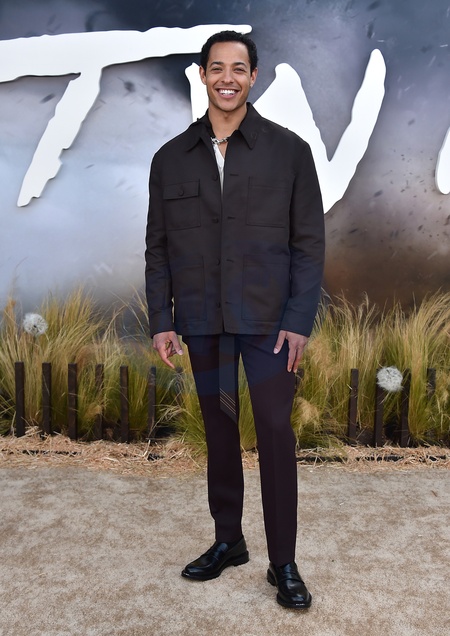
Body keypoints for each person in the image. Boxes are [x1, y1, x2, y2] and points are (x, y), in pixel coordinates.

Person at [145, 30, 325, 609]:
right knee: (219, 431)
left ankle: (283, 562)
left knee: (273, 431)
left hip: (270, 325)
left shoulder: (289, 152)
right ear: (202, 74)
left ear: (253, 77)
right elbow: (158, 248)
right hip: (202, 322)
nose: (228, 78)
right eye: (217, 67)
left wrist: (299, 320)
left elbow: (308, 244)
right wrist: (162, 319)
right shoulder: (170, 159)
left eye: (239, 68)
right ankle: (229, 541)